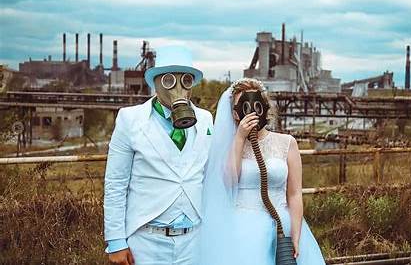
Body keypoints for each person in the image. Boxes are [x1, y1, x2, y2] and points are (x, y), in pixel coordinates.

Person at [103, 46, 214, 265]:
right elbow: (115, 183)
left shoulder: (205, 120)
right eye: (170, 80)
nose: (179, 89)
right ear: (156, 83)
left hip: (194, 240)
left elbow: (209, 176)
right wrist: (116, 241)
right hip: (147, 241)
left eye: (186, 81)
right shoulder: (130, 120)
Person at [199, 78, 326, 265]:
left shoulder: (287, 142)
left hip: (282, 226)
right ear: (234, 113)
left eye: (255, 104)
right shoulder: (230, 145)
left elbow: (294, 194)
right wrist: (240, 138)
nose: (249, 110)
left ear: (264, 107)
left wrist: (296, 236)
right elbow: (229, 182)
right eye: (242, 106)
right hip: (242, 229)